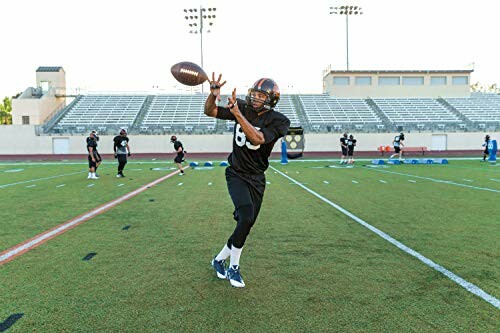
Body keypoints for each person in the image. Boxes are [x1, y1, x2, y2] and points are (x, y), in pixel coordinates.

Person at [205, 73, 290, 288]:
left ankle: (218, 259)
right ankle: (234, 267)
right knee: (246, 215)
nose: (255, 99)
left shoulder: (279, 121)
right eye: (254, 94)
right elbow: (210, 111)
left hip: (257, 177)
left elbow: (258, 139)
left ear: (271, 99)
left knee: (247, 223)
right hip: (236, 173)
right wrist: (213, 95)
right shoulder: (241, 107)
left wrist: (238, 115)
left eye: (261, 96)